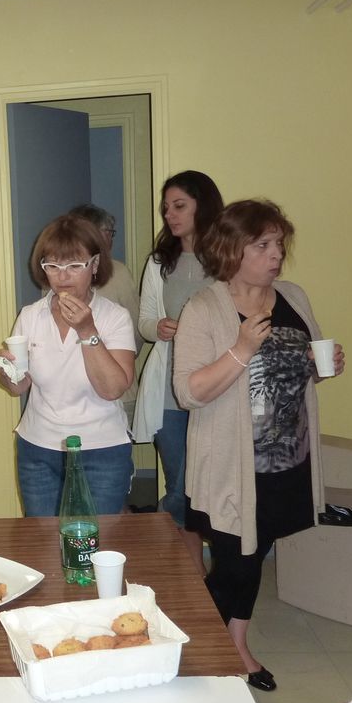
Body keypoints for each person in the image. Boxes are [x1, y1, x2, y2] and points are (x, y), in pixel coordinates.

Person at [172, 199, 344, 691]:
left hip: (288, 459)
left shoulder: (292, 295)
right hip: (231, 466)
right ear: (233, 249)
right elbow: (189, 392)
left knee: (256, 550)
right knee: (235, 561)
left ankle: (229, 639)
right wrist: (241, 350)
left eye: (279, 245)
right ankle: (212, 647)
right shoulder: (205, 307)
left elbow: (301, 364)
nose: (276, 256)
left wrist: (321, 366)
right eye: (263, 245)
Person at [0, 214, 136, 516]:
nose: (63, 276)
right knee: (44, 543)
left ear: (95, 266)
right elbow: (20, 385)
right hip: (39, 448)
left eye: (74, 266)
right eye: (53, 266)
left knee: (96, 545)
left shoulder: (114, 317)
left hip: (102, 449)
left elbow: (113, 389)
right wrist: (7, 372)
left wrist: (87, 331)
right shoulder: (30, 316)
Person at [133, 170, 223, 571]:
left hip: (218, 389)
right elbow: (146, 320)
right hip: (169, 391)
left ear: (203, 204)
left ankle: (159, 524)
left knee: (209, 485)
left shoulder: (229, 258)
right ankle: (193, 573)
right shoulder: (159, 262)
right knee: (181, 481)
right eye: (166, 208)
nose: (169, 214)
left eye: (179, 205)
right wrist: (160, 328)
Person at [68, 203, 142, 421]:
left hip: (87, 390)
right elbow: (136, 336)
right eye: (108, 232)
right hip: (112, 389)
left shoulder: (57, 276)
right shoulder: (118, 273)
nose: (111, 239)